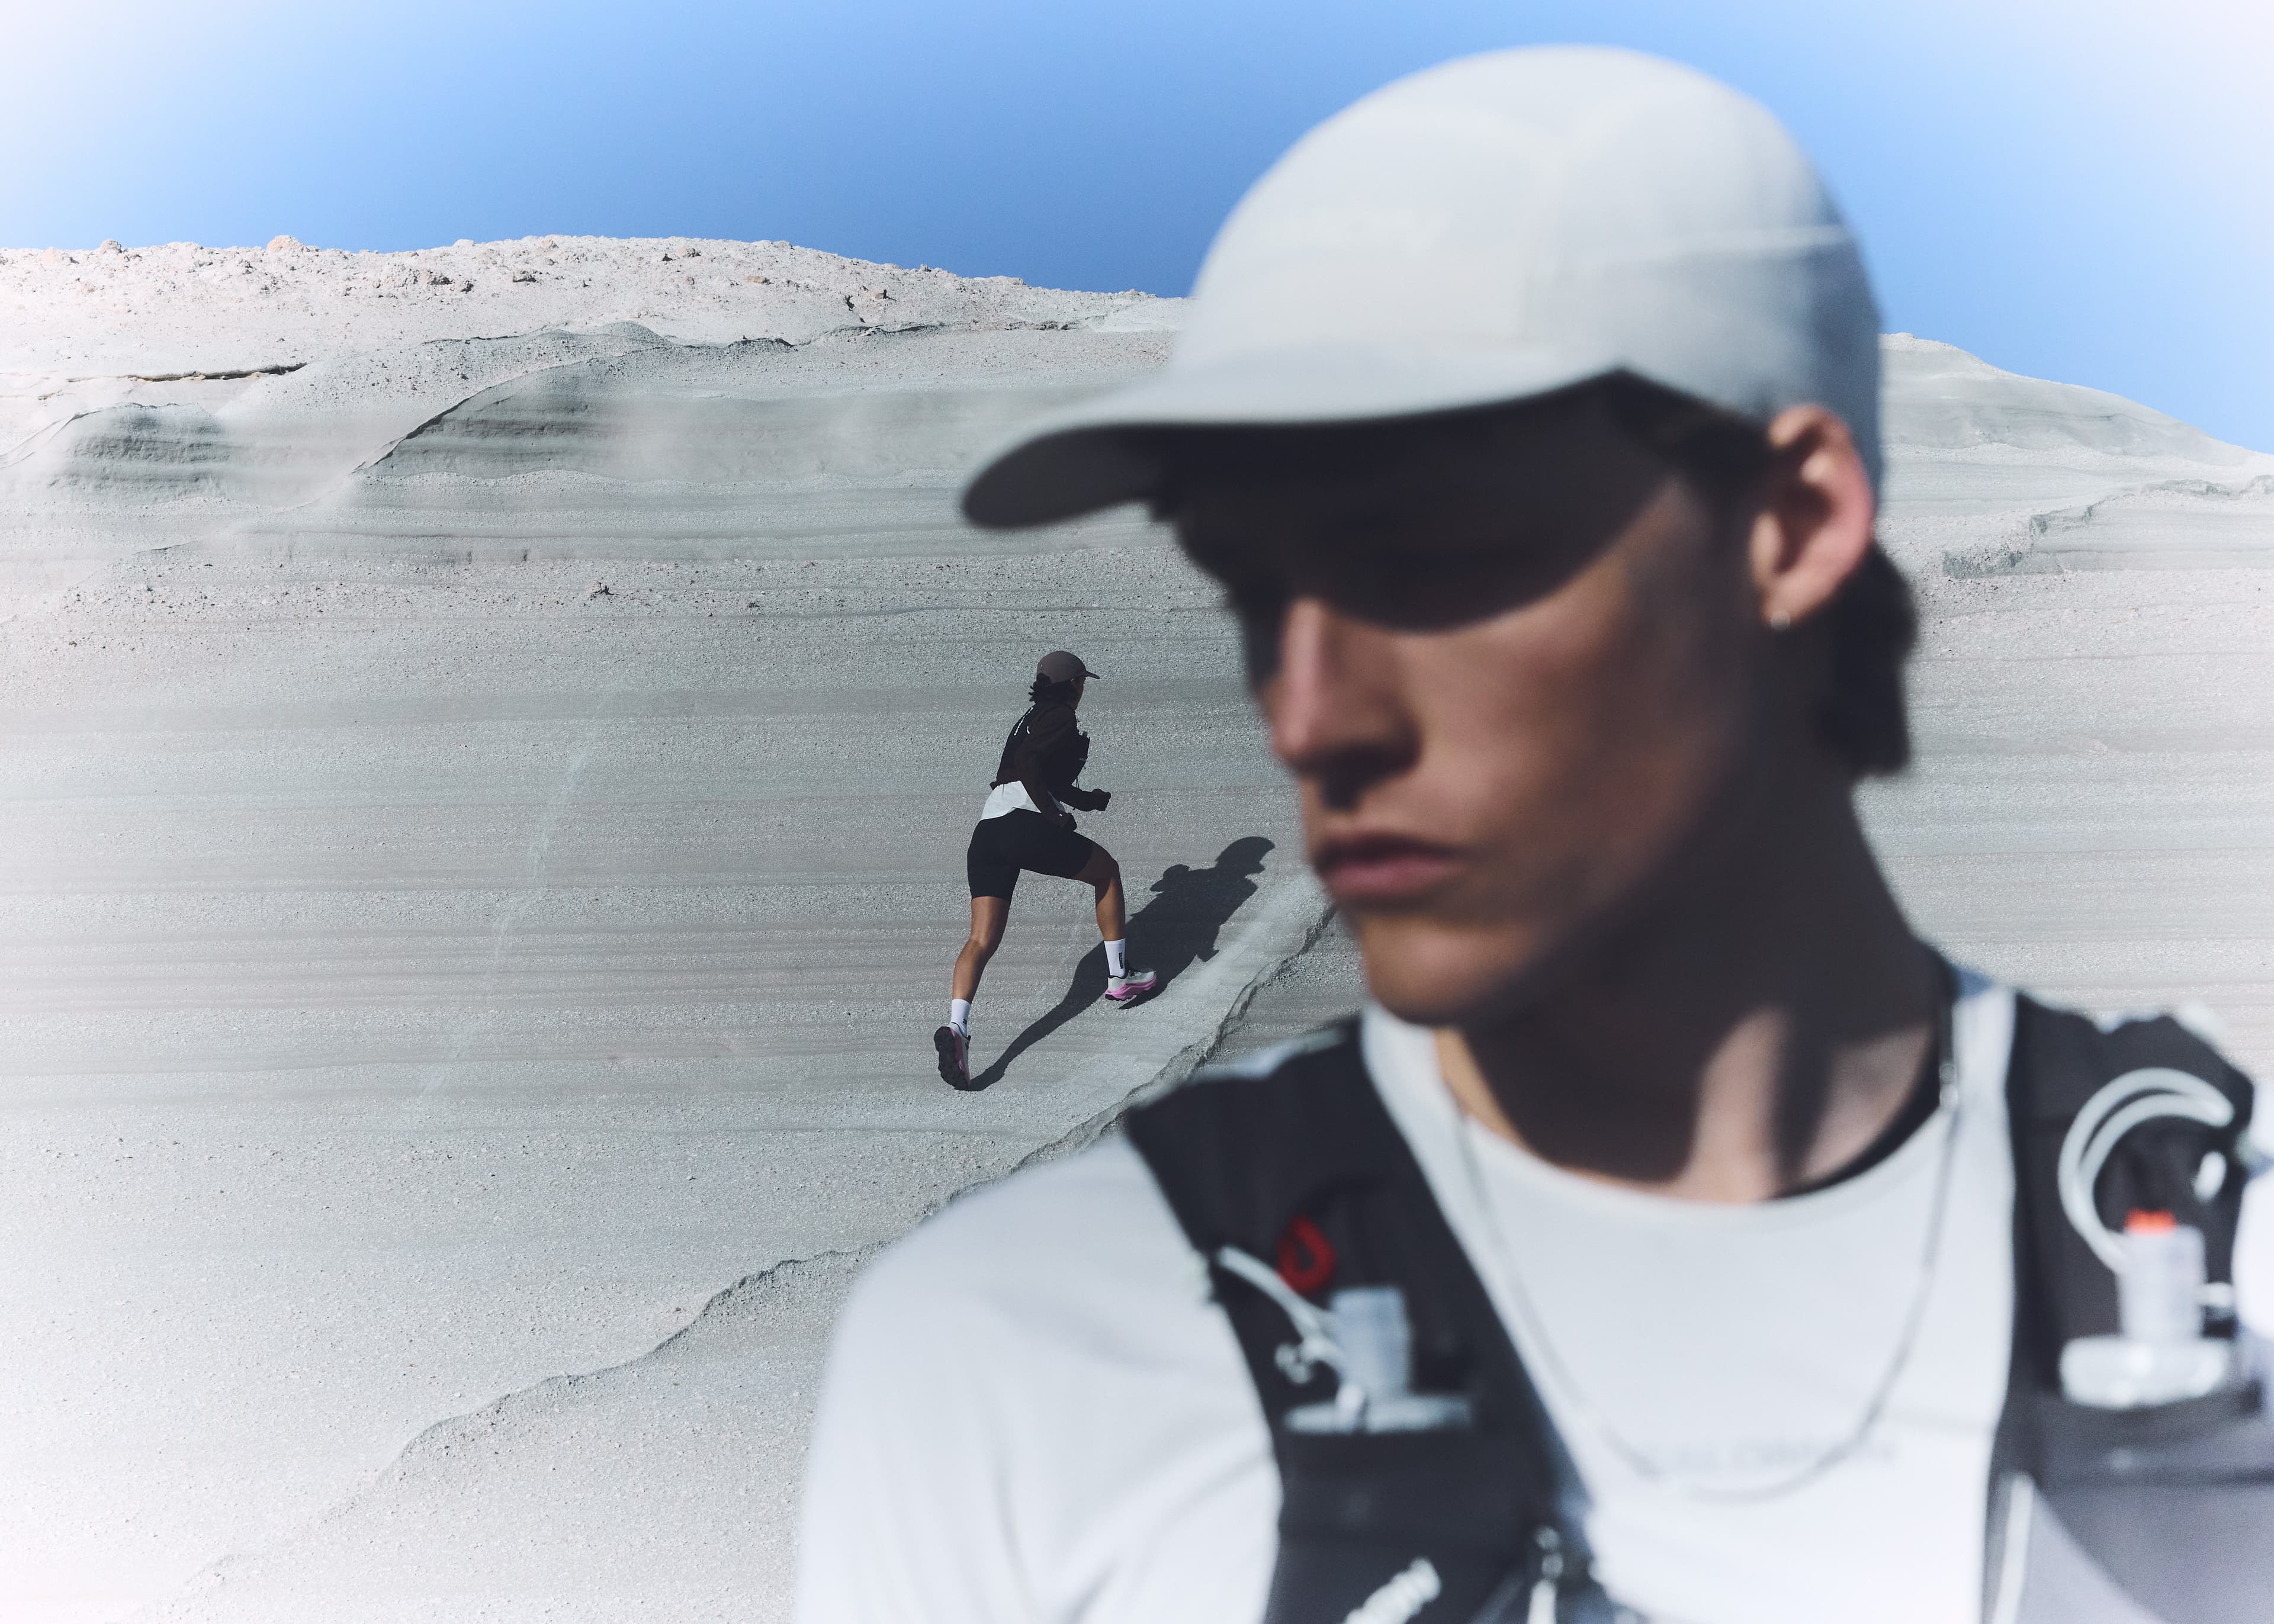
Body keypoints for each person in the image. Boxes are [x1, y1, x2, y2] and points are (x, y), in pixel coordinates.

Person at [801, 47, 2268, 1623]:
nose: (1309, 710)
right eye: (1256, 588)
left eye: (1426, 557)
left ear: (1785, 531)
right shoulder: (1018, 1360)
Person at [936, 649, 1158, 1089]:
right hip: (1024, 824)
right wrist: (1055, 816)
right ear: (1073, 684)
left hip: (987, 831)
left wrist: (1085, 800)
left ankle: (957, 1027)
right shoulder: (1060, 716)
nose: (1083, 690)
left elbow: (1032, 772)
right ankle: (1119, 977)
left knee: (981, 938)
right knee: (1107, 872)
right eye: (1083, 683)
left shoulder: (1029, 718)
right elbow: (1030, 768)